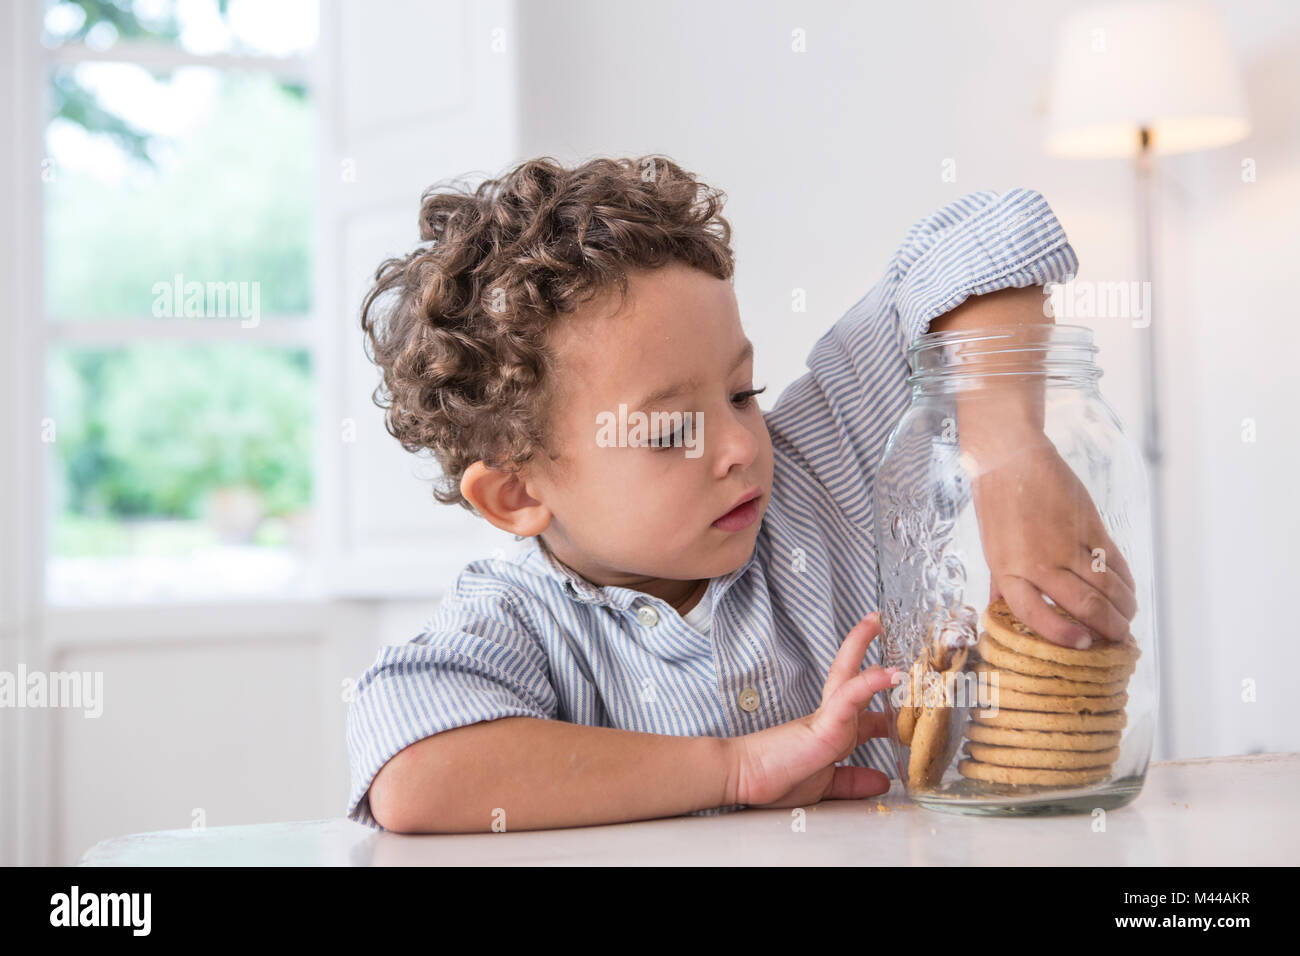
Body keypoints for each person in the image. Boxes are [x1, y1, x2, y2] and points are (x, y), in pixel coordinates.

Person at [345, 155, 1136, 833]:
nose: (737, 447)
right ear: (518, 494)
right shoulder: (519, 622)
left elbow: (987, 236)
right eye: (666, 434)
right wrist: (735, 770)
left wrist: (1007, 451)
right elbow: (414, 773)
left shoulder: (820, 458)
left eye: (740, 391)